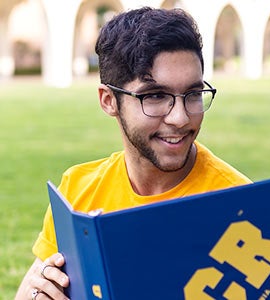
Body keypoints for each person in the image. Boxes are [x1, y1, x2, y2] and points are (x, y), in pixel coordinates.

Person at [16, 7, 251, 300]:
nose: (180, 118)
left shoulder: (242, 206)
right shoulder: (77, 190)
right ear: (108, 100)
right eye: (155, 96)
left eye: (193, 94)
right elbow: (35, 288)